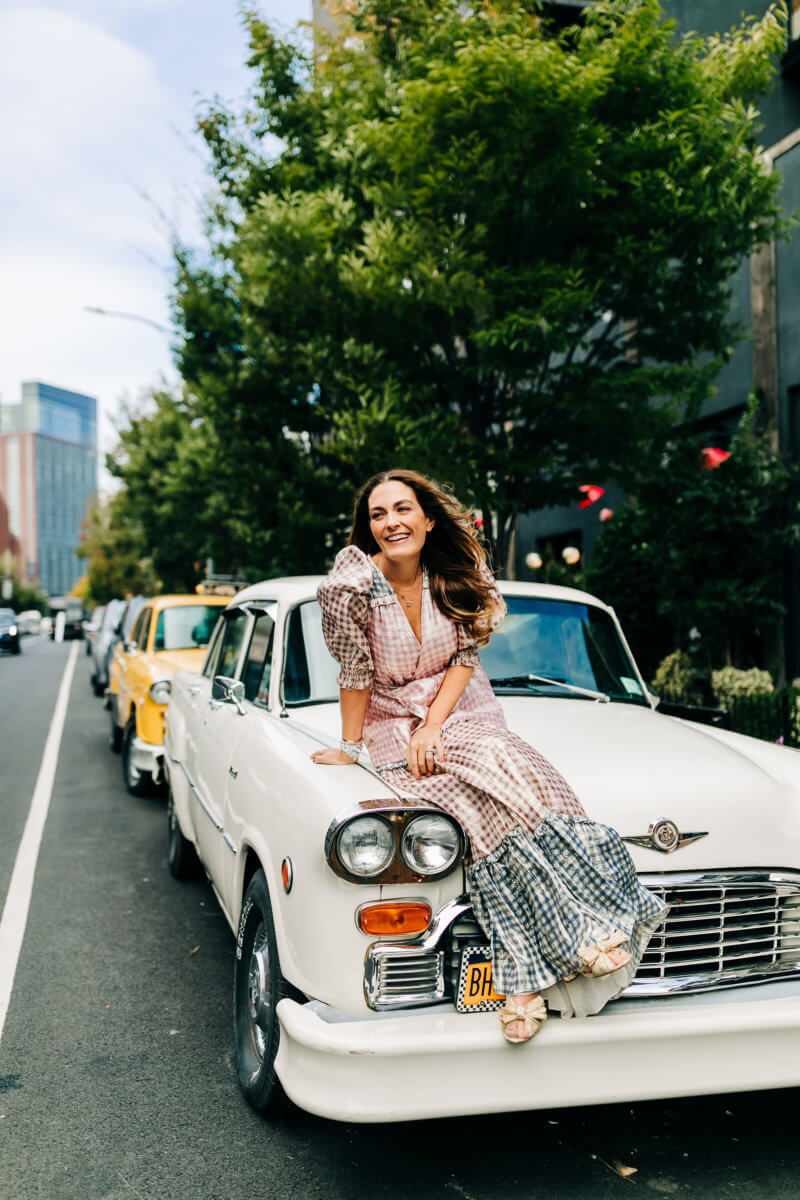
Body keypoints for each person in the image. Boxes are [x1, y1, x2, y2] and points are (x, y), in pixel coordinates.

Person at [312, 469, 667, 1044]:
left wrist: (434, 725)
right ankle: (552, 956)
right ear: (368, 527)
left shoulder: (454, 573)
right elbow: (353, 673)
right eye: (378, 515)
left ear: (427, 518)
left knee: (518, 773)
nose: (390, 523)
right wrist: (351, 748)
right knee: (472, 814)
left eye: (402, 510)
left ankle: (548, 958)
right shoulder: (354, 586)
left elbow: (464, 658)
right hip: (388, 723)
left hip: (462, 711)